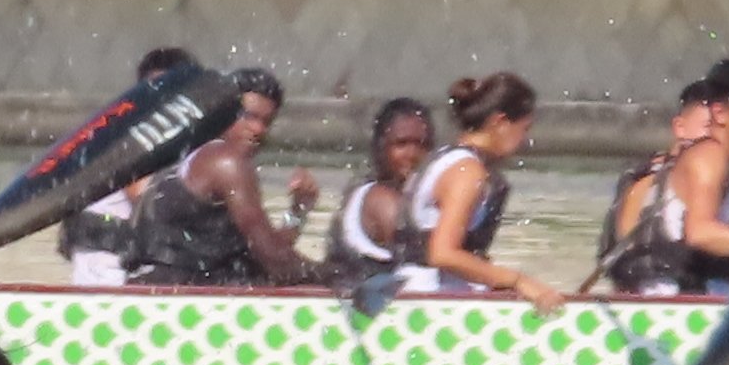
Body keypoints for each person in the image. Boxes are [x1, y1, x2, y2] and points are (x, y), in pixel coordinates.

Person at [592, 56, 729, 297]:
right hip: (665, 308)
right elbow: (700, 233)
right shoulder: (709, 156)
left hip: (663, 299)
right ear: (720, 114)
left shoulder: (711, 163)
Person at [131, 67, 305, 285]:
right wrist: (338, 276)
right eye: (248, 116)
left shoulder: (188, 153)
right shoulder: (225, 161)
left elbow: (266, 250)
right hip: (174, 306)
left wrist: (298, 211)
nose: (258, 129)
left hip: (157, 297)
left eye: (267, 122)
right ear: (220, 111)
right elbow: (276, 261)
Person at [405, 71, 560, 303]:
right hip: (431, 302)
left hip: (410, 290)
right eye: (523, 129)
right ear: (499, 123)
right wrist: (518, 281)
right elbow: (443, 254)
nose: (524, 141)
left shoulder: (443, 157)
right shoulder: (468, 171)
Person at [59, 45, 200, 288]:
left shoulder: (171, 139)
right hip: (112, 284)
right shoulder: (131, 140)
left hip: (114, 271)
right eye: (156, 92)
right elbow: (149, 202)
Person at [319, 98, 440, 291]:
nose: (413, 154)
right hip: (367, 314)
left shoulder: (412, 199)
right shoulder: (381, 199)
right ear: (379, 147)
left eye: (422, 145)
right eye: (401, 144)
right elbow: (437, 257)